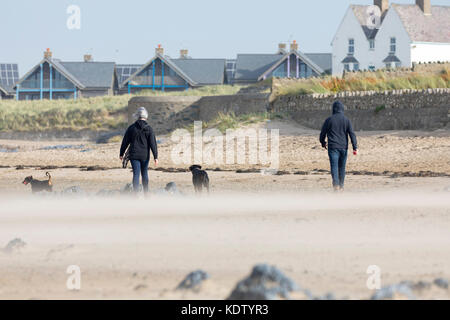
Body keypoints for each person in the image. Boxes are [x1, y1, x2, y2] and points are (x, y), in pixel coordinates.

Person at [319, 100, 357, 191]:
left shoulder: (329, 120)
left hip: (333, 148)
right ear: (342, 109)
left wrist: (323, 143)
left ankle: (336, 185)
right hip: (344, 147)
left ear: (333, 109)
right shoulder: (346, 120)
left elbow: (322, 134)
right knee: (342, 168)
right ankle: (341, 186)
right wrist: (355, 147)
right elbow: (352, 134)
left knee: (334, 167)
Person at [120, 107, 158, 194]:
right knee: (144, 174)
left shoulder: (131, 128)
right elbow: (153, 143)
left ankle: (135, 195)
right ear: (146, 116)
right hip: (145, 155)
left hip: (134, 155)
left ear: (137, 116)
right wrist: (155, 156)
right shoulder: (149, 128)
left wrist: (121, 153)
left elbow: (125, 141)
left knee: (136, 174)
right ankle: (146, 194)